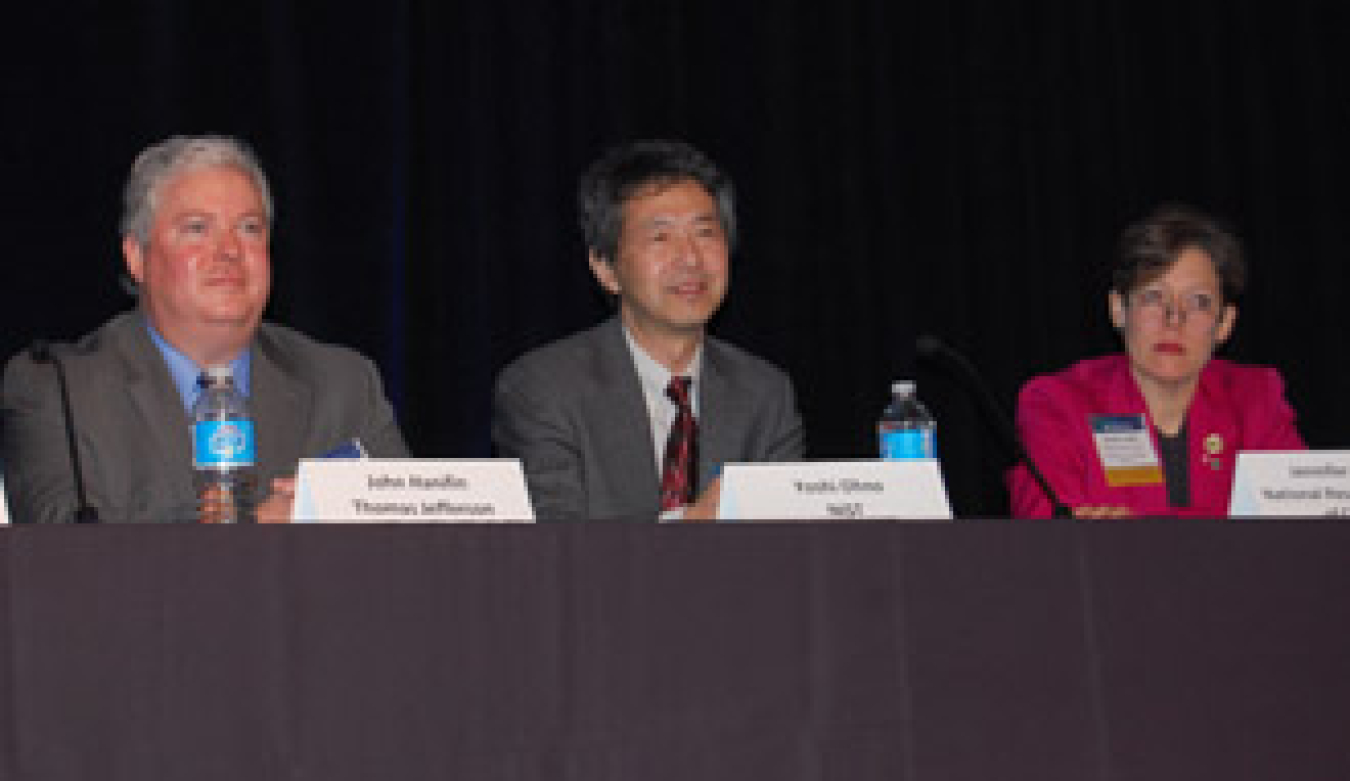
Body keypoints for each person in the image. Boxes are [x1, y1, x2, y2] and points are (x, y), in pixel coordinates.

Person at [1, 135, 409, 523]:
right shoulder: (60, 390)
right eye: (197, 228)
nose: (230, 250)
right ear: (137, 257)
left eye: (249, 228)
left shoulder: (344, 385)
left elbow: (423, 543)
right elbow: (63, 553)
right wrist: (257, 527)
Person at [493, 139, 804, 521]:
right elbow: (556, 546)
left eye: (705, 233)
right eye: (661, 237)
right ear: (605, 268)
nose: (690, 258)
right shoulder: (543, 389)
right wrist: (688, 527)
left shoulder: (765, 393)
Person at [1008, 203, 1304, 518]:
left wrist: (1134, 532)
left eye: (1198, 301)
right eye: (1153, 297)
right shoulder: (1057, 404)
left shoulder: (1256, 400)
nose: (1173, 319)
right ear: (1118, 310)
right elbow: (1044, 534)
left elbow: (1301, 527)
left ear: (1224, 323)